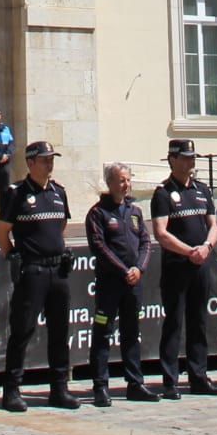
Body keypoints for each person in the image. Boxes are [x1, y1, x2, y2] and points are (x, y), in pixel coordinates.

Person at [0, 141, 77, 411]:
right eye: (44, 159)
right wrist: (14, 256)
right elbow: (2, 233)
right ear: (30, 162)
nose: (49, 164)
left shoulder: (58, 192)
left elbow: (61, 226)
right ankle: (12, 389)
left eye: (51, 159)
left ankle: (59, 388)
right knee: (22, 330)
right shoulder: (16, 193)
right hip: (32, 271)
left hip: (58, 270)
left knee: (59, 331)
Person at [151, 138, 217, 397]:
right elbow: (161, 232)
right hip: (177, 265)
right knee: (174, 323)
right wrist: (188, 251)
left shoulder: (202, 190)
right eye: (185, 157)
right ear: (172, 159)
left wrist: (206, 247)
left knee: (199, 322)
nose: (190, 162)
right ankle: (170, 380)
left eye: (192, 157)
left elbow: (213, 225)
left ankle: (198, 375)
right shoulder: (163, 192)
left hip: (201, 263)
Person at [86, 161, 159, 405]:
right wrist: (123, 270)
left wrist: (139, 268)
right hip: (110, 283)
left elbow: (145, 243)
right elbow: (99, 246)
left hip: (133, 283)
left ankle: (135, 383)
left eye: (128, 180)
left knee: (131, 333)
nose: (125, 185)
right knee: (103, 332)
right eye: (120, 180)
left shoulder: (135, 211)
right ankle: (100, 385)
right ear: (109, 183)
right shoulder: (98, 213)